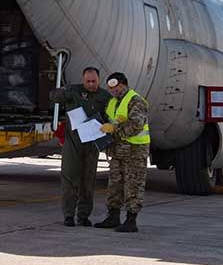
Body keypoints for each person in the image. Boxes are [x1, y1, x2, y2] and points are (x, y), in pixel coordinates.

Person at [49, 66, 112, 226]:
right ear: (83, 80)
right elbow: (54, 97)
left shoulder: (104, 97)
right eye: (88, 81)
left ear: (99, 80)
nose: (91, 84)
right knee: (69, 178)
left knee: (88, 180)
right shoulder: (74, 91)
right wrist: (63, 91)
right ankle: (68, 215)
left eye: (94, 81)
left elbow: (109, 117)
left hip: (91, 144)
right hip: (73, 143)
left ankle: (83, 216)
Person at [95, 72, 150, 233]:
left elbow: (136, 125)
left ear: (124, 84)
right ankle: (113, 216)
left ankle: (131, 220)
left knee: (133, 185)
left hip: (135, 151)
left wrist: (114, 128)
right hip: (117, 151)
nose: (114, 91)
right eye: (111, 88)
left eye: (117, 87)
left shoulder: (136, 101)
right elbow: (109, 120)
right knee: (115, 185)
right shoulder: (112, 102)